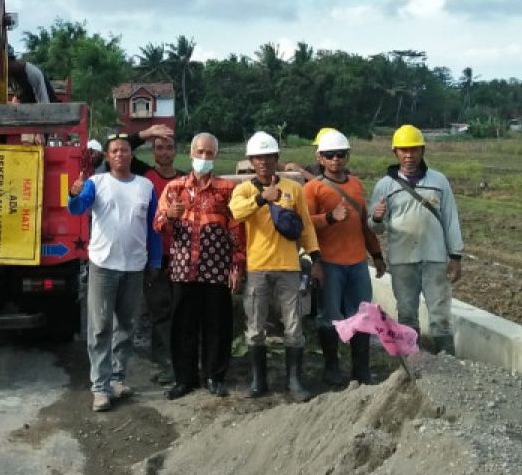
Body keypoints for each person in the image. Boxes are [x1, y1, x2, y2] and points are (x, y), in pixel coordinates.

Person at [69, 133, 162, 413]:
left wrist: (154, 261)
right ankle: (100, 387)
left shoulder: (146, 187)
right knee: (99, 328)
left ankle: (118, 378)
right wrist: (74, 193)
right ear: (108, 157)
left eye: (124, 150)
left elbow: (153, 228)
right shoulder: (96, 183)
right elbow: (77, 209)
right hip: (103, 266)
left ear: (131, 155)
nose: (120, 154)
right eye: (115, 151)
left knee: (126, 326)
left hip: (134, 267)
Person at [230, 131, 322, 401]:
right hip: (257, 267)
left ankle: (295, 382)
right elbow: (236, 213)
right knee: (255, 326)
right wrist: (263, 198)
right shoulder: (245, 190)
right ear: (250, 160)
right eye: (258, 158)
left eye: (269, 157)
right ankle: (259, 381)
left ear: (276, 159)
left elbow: (305, 227)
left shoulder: (293, 190)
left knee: (293, 326)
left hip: (289, 267)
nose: (264, 162)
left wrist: (315, 258)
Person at [154, 132, 244, 399]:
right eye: (199, 152)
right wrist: (169, 216)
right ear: (191, 153)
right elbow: (158, 224)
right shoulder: (174, 188)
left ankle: (215, 377)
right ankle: (185, 379)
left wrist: (237, 266)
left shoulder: (228, 189)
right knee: (183, 326)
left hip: (216, 270)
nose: (204, 157)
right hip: (183, 269)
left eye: (209, 153)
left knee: (217, 325)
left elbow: (237, 231)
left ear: (215, 155)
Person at [369, 124, 464, 356]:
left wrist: (456, 255)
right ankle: (412, 365)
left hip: (435, 257)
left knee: (440, 313)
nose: (409, 156)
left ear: (422, 151)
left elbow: (451, 217)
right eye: (403, 150)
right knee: (407, 313)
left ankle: (447, 362)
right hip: (402, 260)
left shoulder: (439, 181)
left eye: (414, 150)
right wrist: (376, 217)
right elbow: (374, 228)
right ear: (395, 153)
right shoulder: (385, 185)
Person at [302, 129, 386, 386]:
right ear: (320, 157)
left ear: (347, 156)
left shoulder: (356, 184)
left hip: (357, 262)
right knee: (330, 316)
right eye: (330, 155)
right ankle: (331, 368)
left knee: (362, 315)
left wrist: (377, 254)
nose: (336, 159)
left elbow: (364, 223)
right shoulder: (312, 189)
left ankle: (361, 369)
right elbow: (304, 226)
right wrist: (329, 217)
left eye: (340, 154)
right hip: (329, 263)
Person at [141, 132, 185, 385]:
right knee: (159, 312)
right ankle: (163, 364)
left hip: (181, 256)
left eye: (169, 147)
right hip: (155, 257)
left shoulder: (184, 181)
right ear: (153, 152)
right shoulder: (146, 181)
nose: (165, 152)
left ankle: (183, 361)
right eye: (160, 148)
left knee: (181, 310)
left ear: (175, 151)